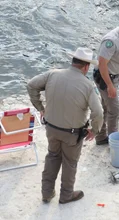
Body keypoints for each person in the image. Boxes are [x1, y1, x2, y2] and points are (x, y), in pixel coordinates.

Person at [27, 47, 103, 204]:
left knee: (52, 157)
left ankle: (46, 193)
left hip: (51, 128)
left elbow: (31, 85)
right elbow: (99, 113)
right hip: (72, 134)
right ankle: (66, 195)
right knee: (70, 162)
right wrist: (94, 130)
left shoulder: (52, 74)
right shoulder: (88, 86)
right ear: (86, 66)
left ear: (73, 61)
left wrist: (41, 108)